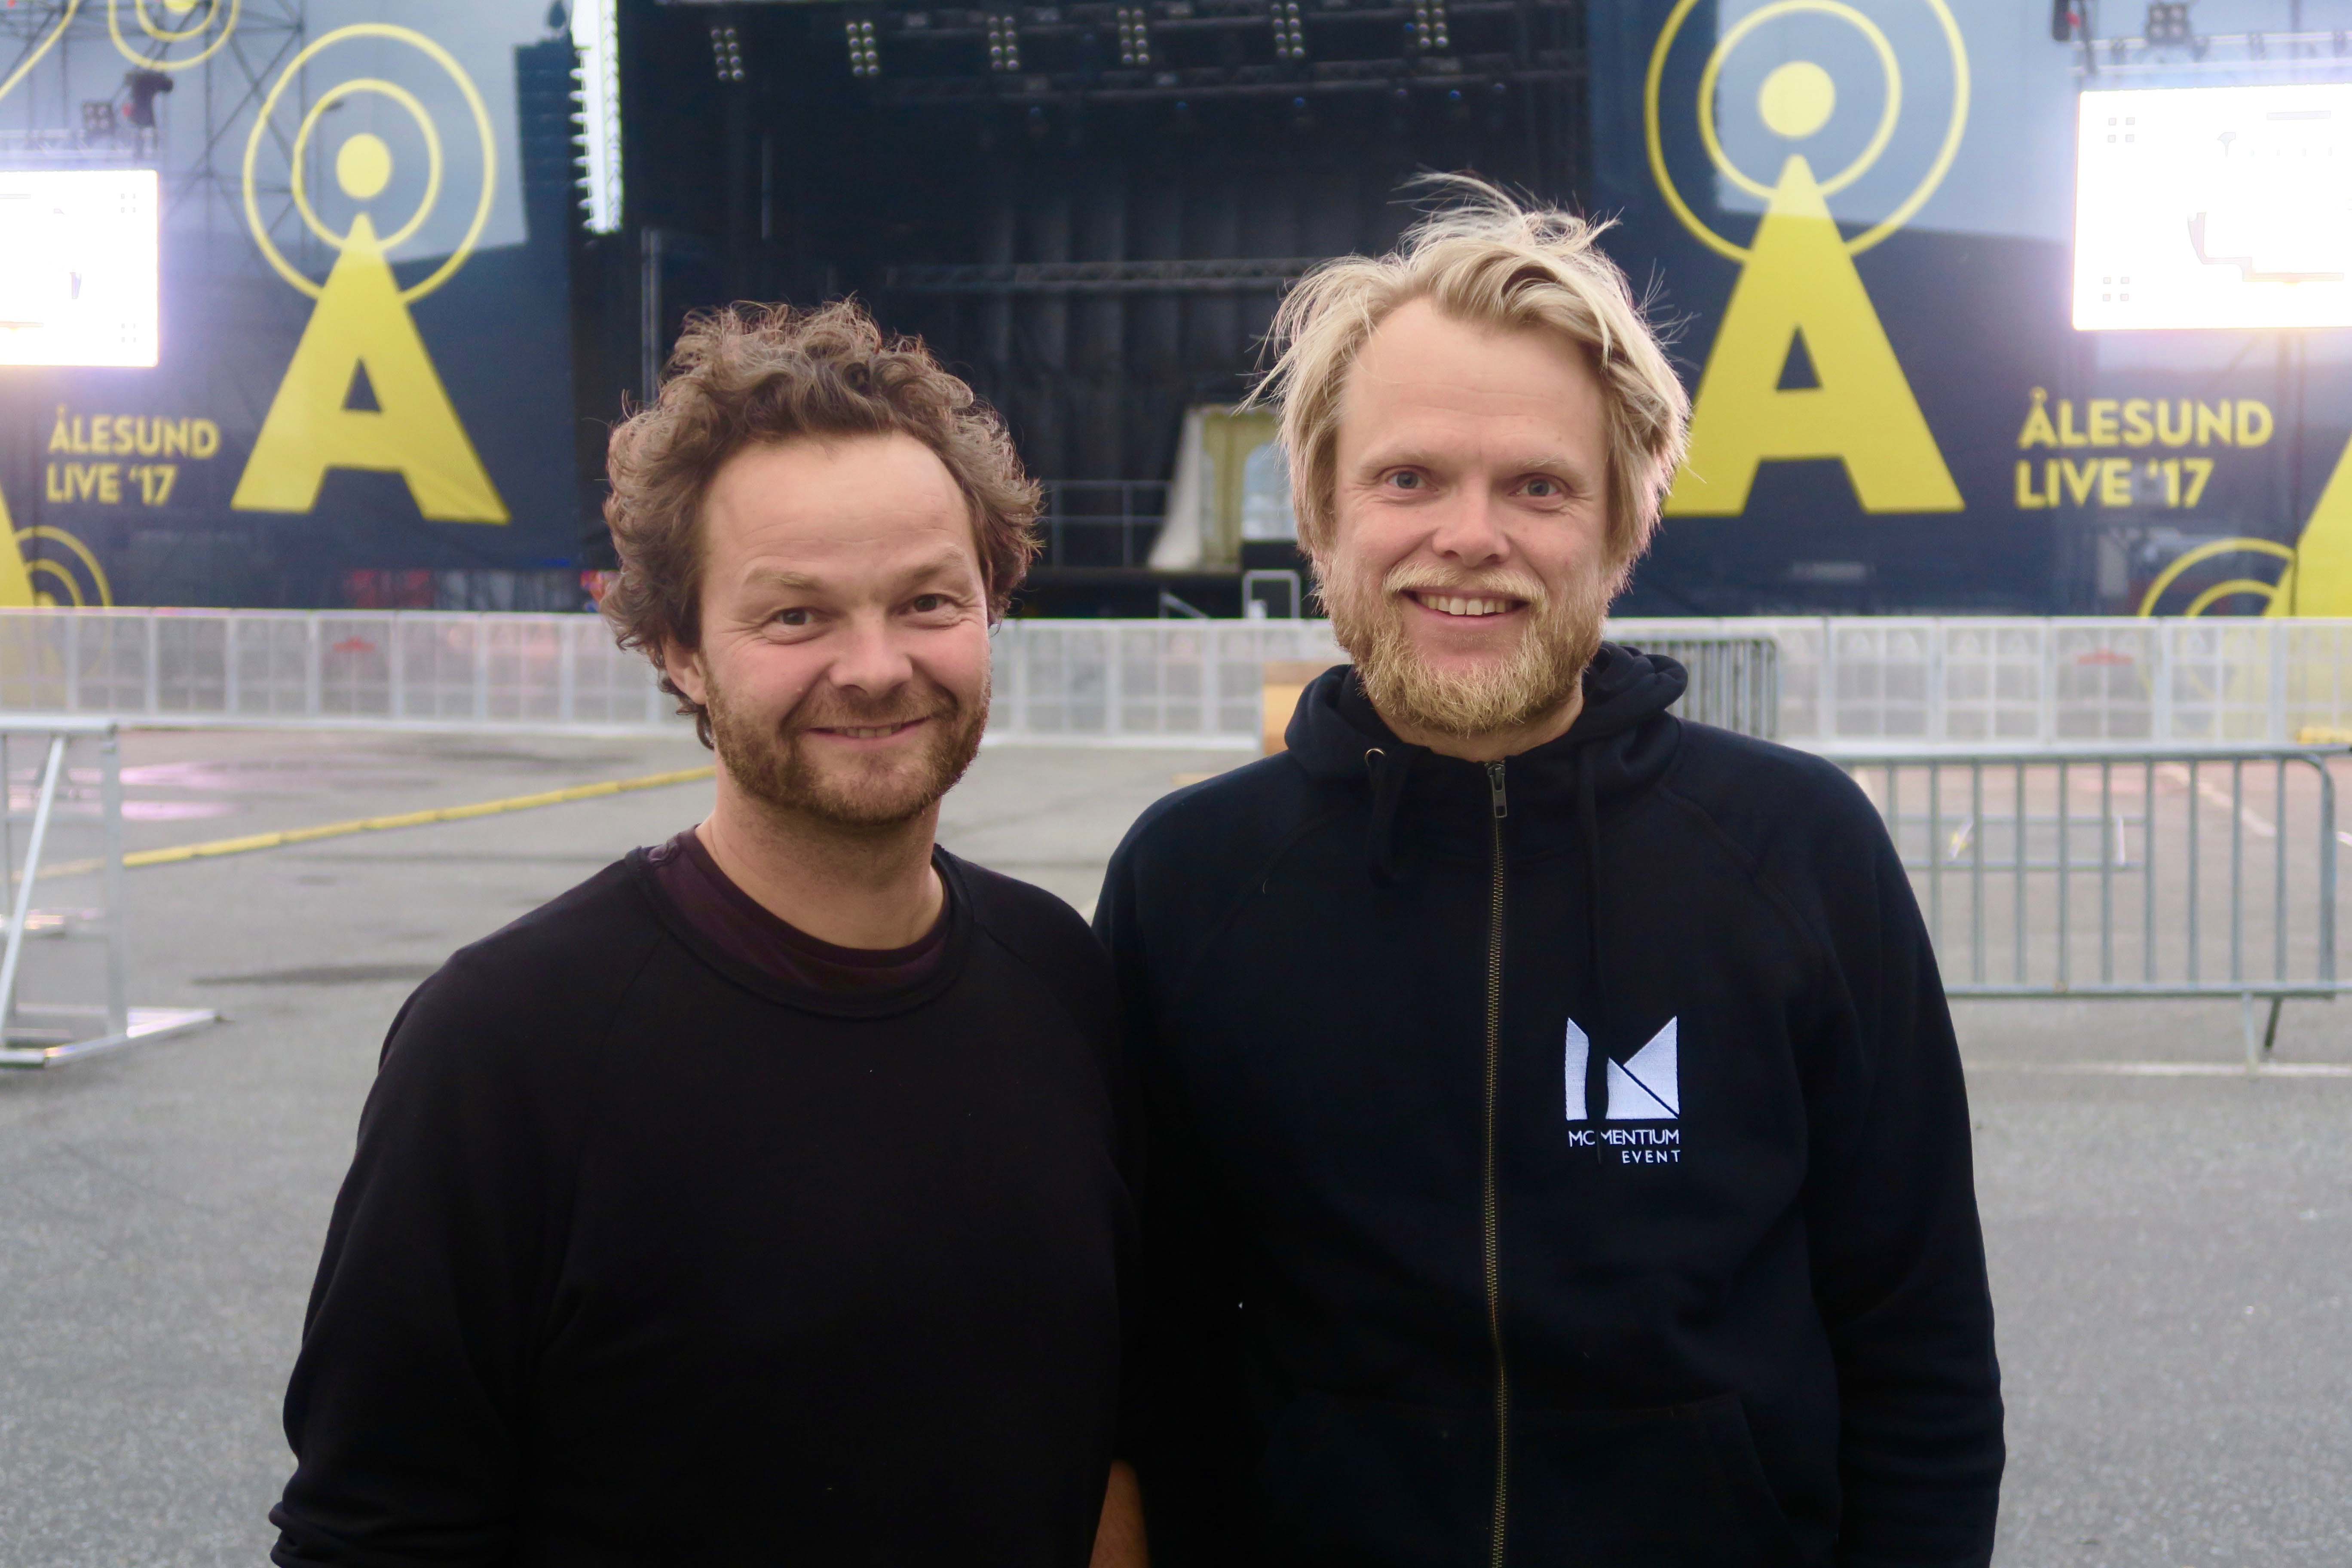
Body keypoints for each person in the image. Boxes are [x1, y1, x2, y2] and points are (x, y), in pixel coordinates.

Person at [1095, 184, 2003, 1567]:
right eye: (1409, 479)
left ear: (1626, 524)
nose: (1472, 536)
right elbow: (1144, 1356)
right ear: (1324, 518)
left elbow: (1918, 1345)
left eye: (1538, 485)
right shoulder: (1192, 882)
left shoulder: (1799, 853)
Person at [272, 301, 1145, 1567]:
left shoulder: (1061, 976)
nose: (875, 666)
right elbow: (376, 1530)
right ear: (679, 647)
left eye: (928, 602)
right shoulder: (506, 1044)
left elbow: (1109, 1433)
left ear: (993, 603)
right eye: (795, 617)